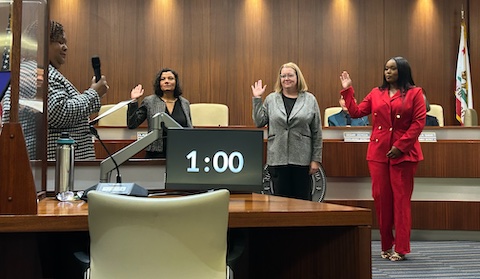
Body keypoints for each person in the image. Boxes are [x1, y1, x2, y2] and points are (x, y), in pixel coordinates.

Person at [339, 56, 426, 261]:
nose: (388, 72)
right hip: (378, 153)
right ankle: (386, 245)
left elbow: (418, 123)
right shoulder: (376, 93)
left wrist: (400, 146)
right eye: (386, 69)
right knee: (381, 200)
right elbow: (356, 112)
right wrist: (348, 89)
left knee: (401, 201)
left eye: (392, 69)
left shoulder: (415, 93)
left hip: (403, 154)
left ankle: (401, 247)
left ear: (402, 71)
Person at [252, 62, 322, 201]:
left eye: (290, 75)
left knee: (303, 203)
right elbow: (259, 122)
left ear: (297, 77)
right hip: (278, 159)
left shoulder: (310, 99)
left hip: (302, 161)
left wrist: (316, 160)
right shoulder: (271, 99)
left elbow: (317, 132)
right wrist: (257, 99)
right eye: (283, 76)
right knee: (280, 202)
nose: (286, 78)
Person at [127, 68, 192, 158]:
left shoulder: (184, 103)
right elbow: (132, 124)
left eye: (170, 78)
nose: (166, 81)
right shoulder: (149, 102)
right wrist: (133, 101)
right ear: (159, 83)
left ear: (176, 82)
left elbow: (189, 128)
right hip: (156, 153)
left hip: (180, 152)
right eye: (163, 79)